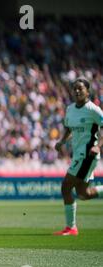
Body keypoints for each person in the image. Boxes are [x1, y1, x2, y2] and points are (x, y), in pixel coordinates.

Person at [54, 77, 103, 236]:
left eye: (80, 88)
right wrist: (62, 141)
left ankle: (71, 227)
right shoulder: (70, 109)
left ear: (87, 91)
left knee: (66, 187)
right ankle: (71, 227)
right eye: (74, 88)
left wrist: (98, 146)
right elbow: (69, 129)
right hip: (78, 155)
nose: (76, 91)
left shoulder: (93, 110)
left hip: (87, 155)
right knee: (83, 193)